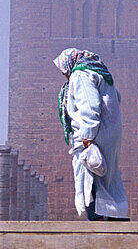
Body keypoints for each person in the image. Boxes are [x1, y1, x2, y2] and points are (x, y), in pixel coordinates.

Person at [54, 48, 129, 220]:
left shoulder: (80, 75)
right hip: (108, 136)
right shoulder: (100, 72)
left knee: (90, 181)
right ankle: (114, 219)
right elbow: (116, 98)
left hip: (93, 137)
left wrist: (87, 138)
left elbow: (89, 107)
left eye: (64, 71)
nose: (65, 75)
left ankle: (98, 225)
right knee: (108, 181)